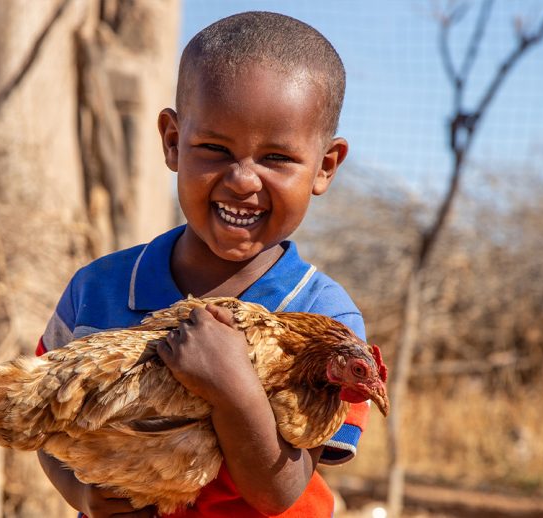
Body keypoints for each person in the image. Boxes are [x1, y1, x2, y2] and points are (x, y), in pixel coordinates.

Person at [36, 11, 371, 518]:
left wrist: (232, 385)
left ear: (325, 166)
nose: (242, 180)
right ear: (172, 141)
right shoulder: (99, 290)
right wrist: (82, 493)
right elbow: (42, 414)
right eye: (214, 148)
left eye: (277, 158)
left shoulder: (325, 323)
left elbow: (280, 493)